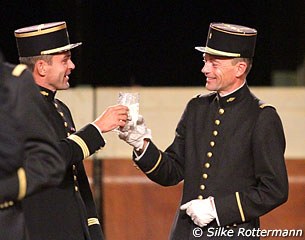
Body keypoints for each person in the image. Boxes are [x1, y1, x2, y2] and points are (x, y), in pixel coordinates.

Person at [118, 23, 289, 239]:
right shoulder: (197, 108)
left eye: (214, 63)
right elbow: (172, 172)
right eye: (205, 61)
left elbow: (274, 189)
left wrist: (217, 209)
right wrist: (141, 144)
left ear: (240, 68)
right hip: (186, 233)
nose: (205, 69)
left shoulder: (261, 117)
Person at [14, 21, 129, 240]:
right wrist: (96, 129)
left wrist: (93, 229)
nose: (72, 66)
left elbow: (76, 177)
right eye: (65, 60)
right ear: (41, 67)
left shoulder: (60, 108)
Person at [0, 49, 65, 240]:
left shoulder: (14, 83)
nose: (71, 66)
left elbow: (49, 162)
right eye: (65, 60)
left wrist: (6, 188)